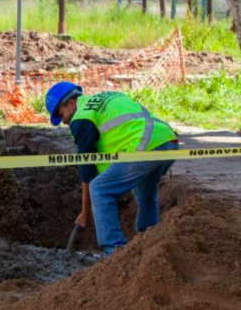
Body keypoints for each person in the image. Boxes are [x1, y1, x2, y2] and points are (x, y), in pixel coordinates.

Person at [45, 82, 179, 256]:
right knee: (144, 192)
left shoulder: (81, 118)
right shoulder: (106, 98)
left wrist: (85, 212)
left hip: (144, 146)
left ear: (71, 103)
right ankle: (150, 244)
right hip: (167, 140)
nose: (63, 121)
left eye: (60, 114)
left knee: (99, 188)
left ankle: (114, 253)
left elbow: (87, 168)